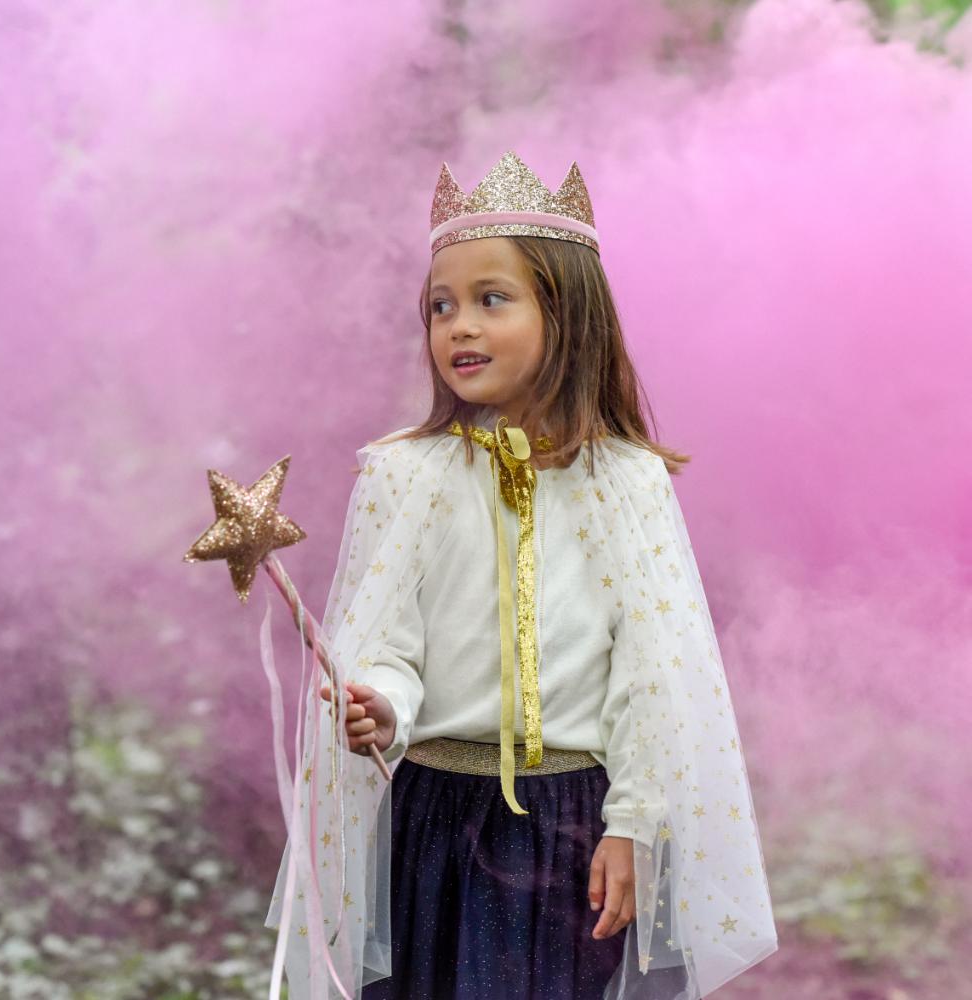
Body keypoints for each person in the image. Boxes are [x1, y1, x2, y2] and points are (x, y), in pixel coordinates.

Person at [265, 151, 778, 1000]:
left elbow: (653, 673)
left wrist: (634, 824)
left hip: (571, 825)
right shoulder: (406, 475)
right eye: (441, 306)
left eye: (491, 299)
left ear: (566, 315)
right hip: (434, 818)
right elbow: (389, 642)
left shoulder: (625, 482)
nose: (459, 326)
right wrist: (382, 705)